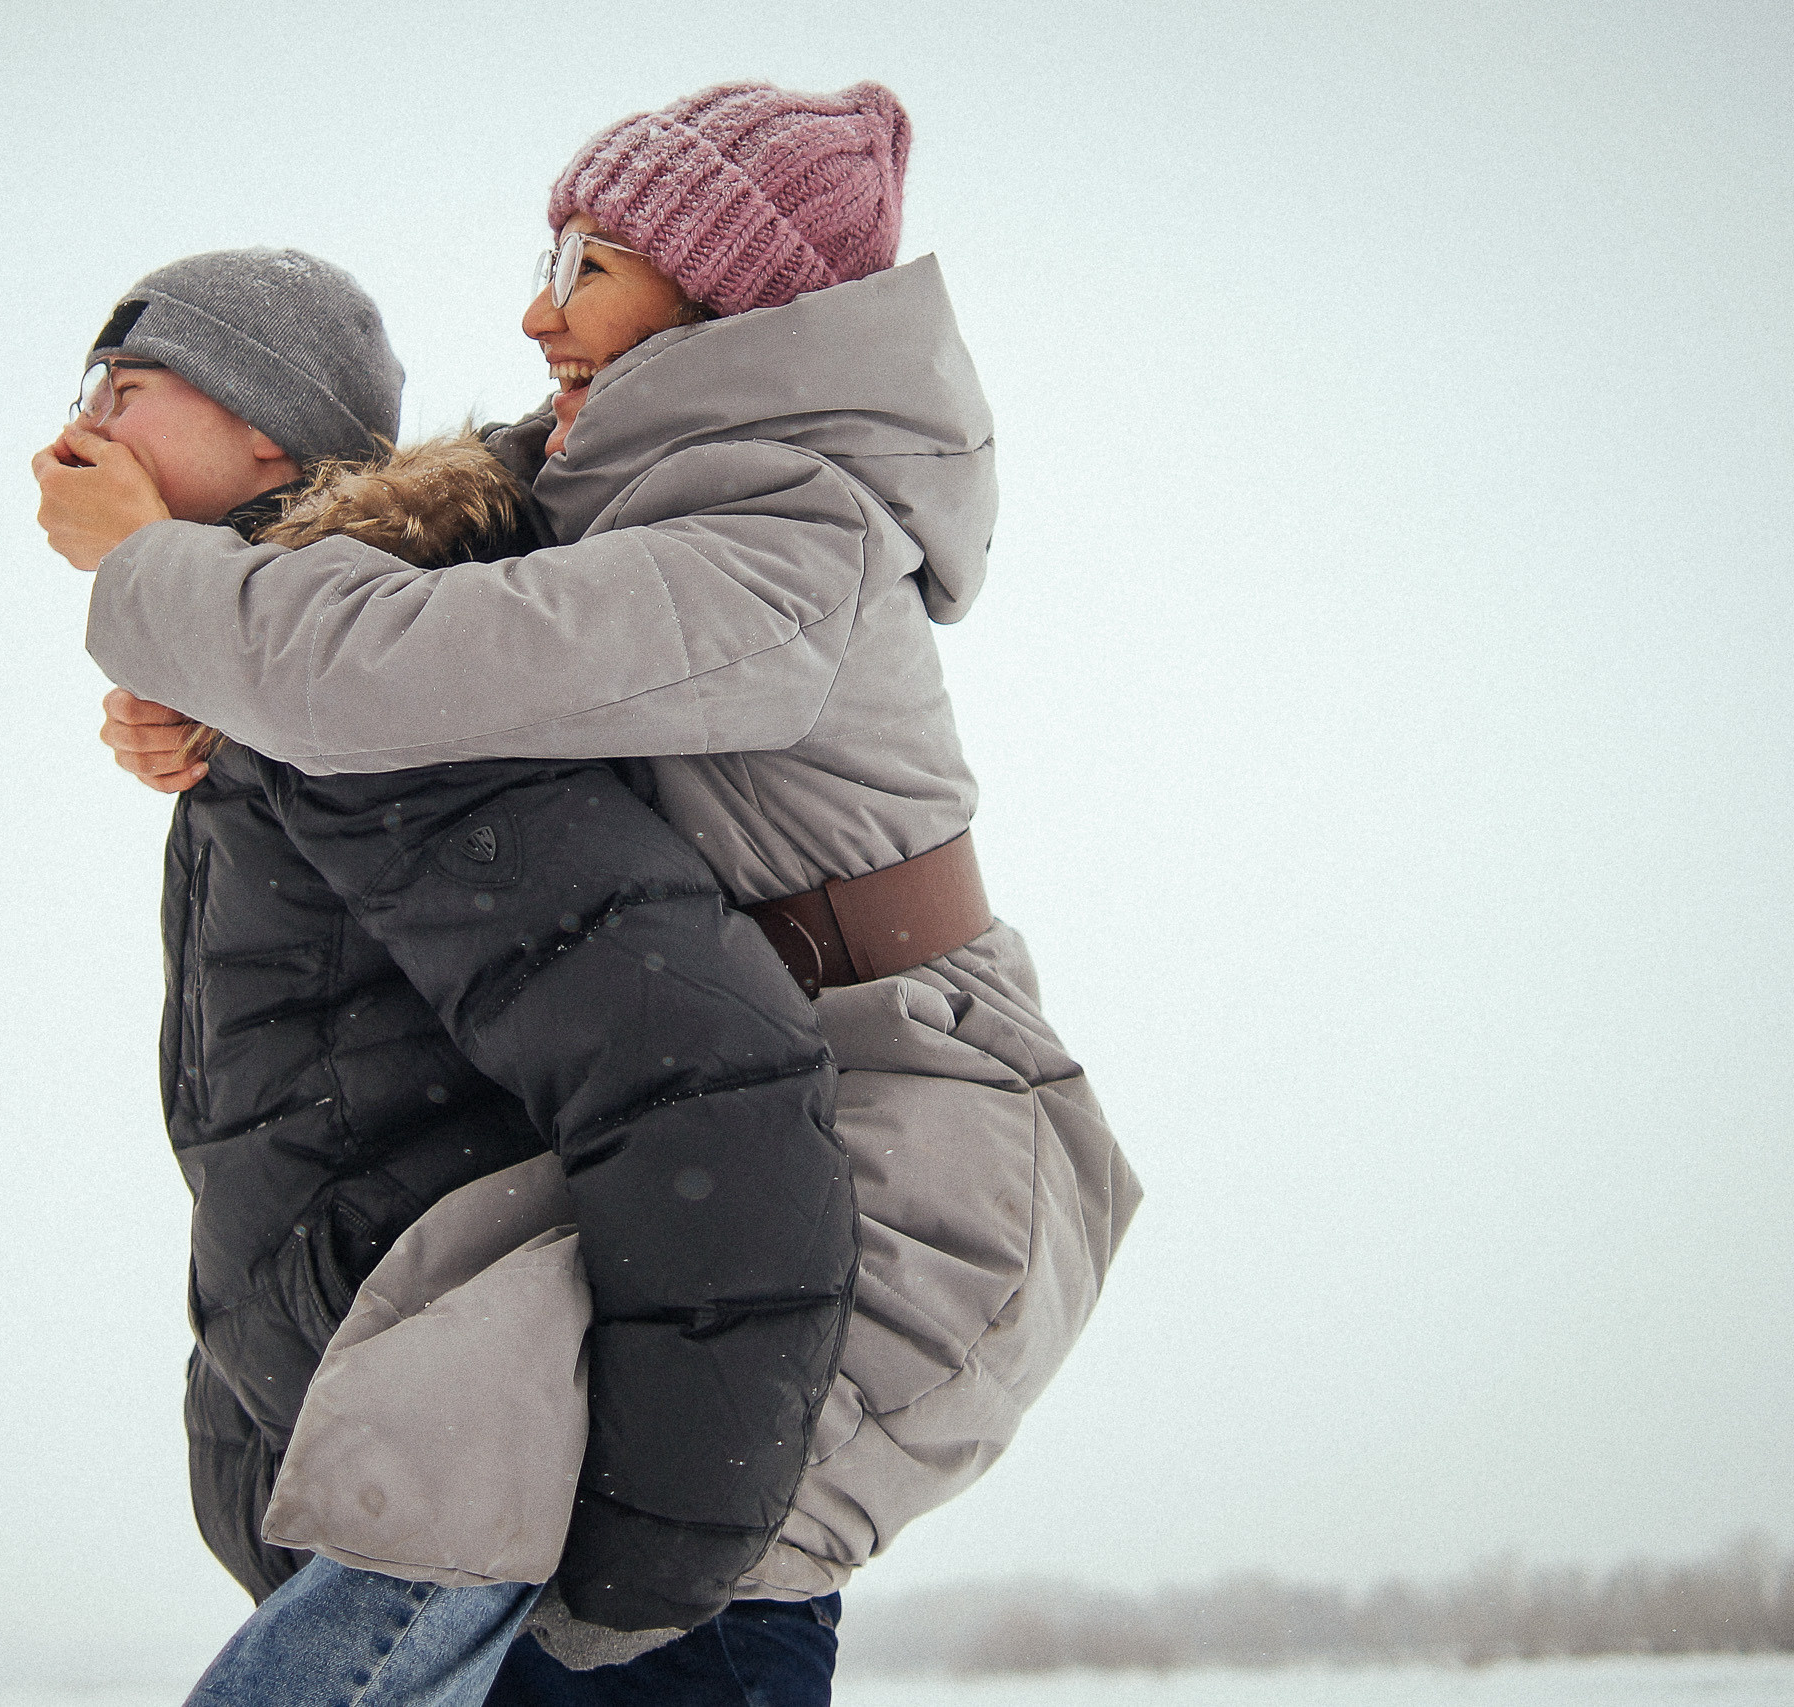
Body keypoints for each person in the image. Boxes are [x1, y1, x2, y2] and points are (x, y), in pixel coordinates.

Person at [58, 81, 1145, 1705]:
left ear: (720, 302)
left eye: (592, 264)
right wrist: (216, 690)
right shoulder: (622, 485)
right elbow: (381, 580)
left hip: (906, 1132)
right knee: (545, 1548)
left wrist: (159, 580)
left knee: (673, 1593)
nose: (533, 308)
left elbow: (396, 665)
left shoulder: (786, 534)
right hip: (750, 1102)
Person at [34, 248, 865, 1701]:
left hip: (565, 1566)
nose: (71, 434)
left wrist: (645, 1563)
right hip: (439, 1516)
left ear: (269, 437)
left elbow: (703, 1082)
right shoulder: (280, 697)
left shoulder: (376, 685)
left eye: (128, 388)